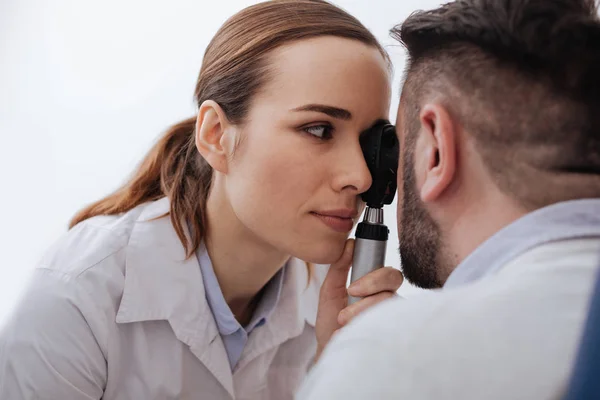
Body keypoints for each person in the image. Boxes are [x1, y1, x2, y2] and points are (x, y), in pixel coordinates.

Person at [0, 1, 404, 399]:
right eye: (318, 130)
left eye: (371, 143)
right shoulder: (79, 295)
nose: (361, 176)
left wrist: (342, 374)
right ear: (215, 135)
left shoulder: (338, 314)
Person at [297, 0, 600, 399]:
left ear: (435, 149)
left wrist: (351, 364)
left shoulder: (396, 360)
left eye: (398, 149)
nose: (362, 178)